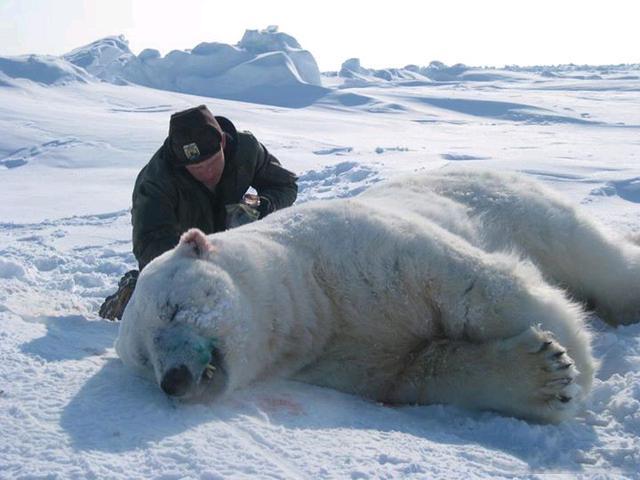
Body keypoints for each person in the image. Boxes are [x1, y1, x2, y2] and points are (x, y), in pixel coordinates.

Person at [99, 104, 298, 320]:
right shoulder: (155, 180)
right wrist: (195, 261)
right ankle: (131, 294)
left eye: (212, 162)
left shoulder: (246, 149)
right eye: (195, 168)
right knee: (170, 309)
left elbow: (285, 185)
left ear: (222, 142)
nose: (206, 173)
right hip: (184, 253)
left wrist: (263, 205)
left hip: (236, 247)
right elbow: (149, 244)